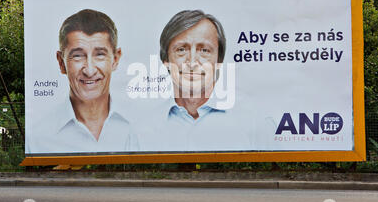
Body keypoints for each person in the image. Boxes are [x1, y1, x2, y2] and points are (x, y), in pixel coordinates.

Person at [138, 10, 253, 151]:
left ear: (219, 61)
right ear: (166, 60)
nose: (192, 62)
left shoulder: (252, 123)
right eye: (181, 50)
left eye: (204, 50)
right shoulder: (141, 130)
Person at [27, 9, 138, 154]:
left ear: (115, 59)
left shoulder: (137, 127)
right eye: (78, 56)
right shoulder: (37, 138)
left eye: (99, 55)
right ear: (61, 62)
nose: (89, 70)